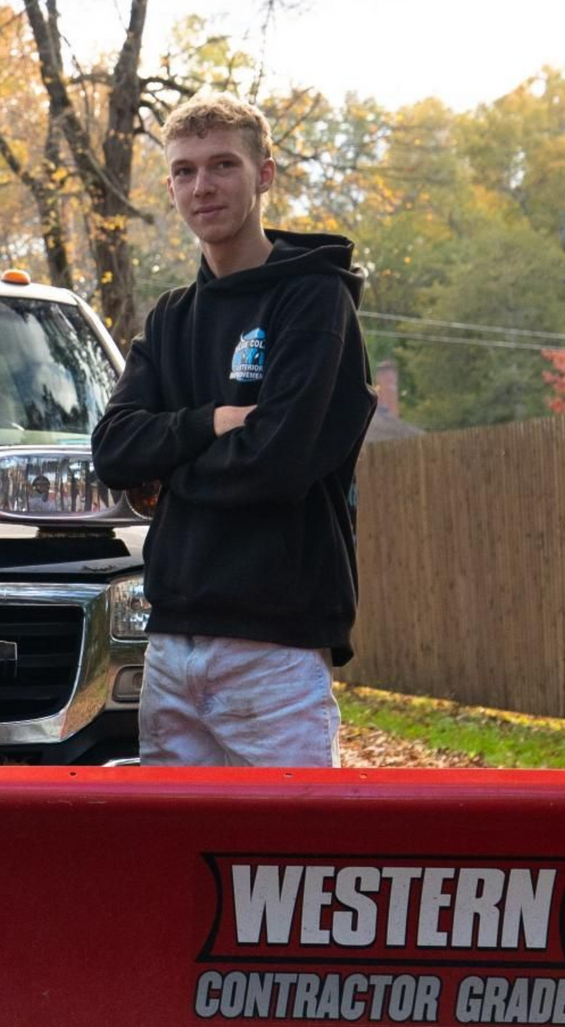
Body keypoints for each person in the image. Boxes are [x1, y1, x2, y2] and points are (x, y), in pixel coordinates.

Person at [91, 93, 376, 767]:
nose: (203, 186)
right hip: (170, 642)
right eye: (185, 171)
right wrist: (211, 422)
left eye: (223, 165)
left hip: (272, 645)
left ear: (265, 175)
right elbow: (113, 451)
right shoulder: (170, 318)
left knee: (291, 857)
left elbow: (275, 463)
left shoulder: (313, 298)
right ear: (170, 186)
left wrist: (170, 472)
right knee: (177, 857)